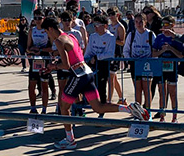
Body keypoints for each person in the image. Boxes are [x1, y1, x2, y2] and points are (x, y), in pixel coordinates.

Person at [41, 17, 149, 149]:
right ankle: (129, 109)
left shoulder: (58, 40)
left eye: (47, 32)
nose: (48, 36)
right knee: (98, 107)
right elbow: (76, 54)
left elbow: (66, 65)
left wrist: (53, 67)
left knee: (64, 107)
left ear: (50, 29)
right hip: (87, 72)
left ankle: (70, 140)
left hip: (78, 75)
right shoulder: (70, 36)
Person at [123, 13, 157, 117]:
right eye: (136, 22)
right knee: (138, 88)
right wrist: (130, 60)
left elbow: (155, 50)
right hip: (135, 64)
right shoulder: (131, 35)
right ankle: (138, 111)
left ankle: (148, 110)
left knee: (147, 88)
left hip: (147, 64)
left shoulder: (151, 34)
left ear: (145, 22)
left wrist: (152, 60)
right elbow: (126, 50)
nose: (138, 24)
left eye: (141, 22)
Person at [152, 15, 184, 123]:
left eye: (166, 24)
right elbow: (153, 53)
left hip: (172, 68)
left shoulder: (176, 38)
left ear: (172, 25)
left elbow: (181, 55)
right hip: (161, 67)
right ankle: (162, 115)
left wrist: (171, 48)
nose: (164, 27)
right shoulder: (159, 37)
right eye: (163, 24)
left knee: (172, 92)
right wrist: (161, 51)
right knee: (162, 92)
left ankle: (174, 116)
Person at [85, 14, 116, 117]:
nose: (95, 27)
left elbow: (110, 54)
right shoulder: (93, 36)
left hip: (103, 64)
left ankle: (102, 111)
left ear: (105, 26)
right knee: (88, 86)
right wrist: (86, 60)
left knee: (102, 87)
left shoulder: (110, 37)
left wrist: (97, 57)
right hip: (92, 64)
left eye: (98, 25)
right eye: (94, 24)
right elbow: (88, 51)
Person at [26, 9, 51, 114]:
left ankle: (44, 109)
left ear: (43, 18)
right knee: (31, 85)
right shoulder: (32, 30)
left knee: (44, 85)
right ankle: (33, 108)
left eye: (39, 18)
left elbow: (53, 48)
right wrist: (32, 50)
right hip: (34, 60)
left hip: (44, 59)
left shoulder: (47, 31)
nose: (37, 20)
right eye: (35, 18)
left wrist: (41, 50)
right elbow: (27, 48)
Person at [107, 7, 125, 104]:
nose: (111, 16)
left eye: (112, 14)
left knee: (111, 77)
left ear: (117, 14)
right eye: (109, 14)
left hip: (116, 54)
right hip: (109, 53)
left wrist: (113, 39)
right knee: (114, 77)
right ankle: (121, 98)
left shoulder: (120, 27)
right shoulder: (109, 27)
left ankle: (109, 99)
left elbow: (122, 42)